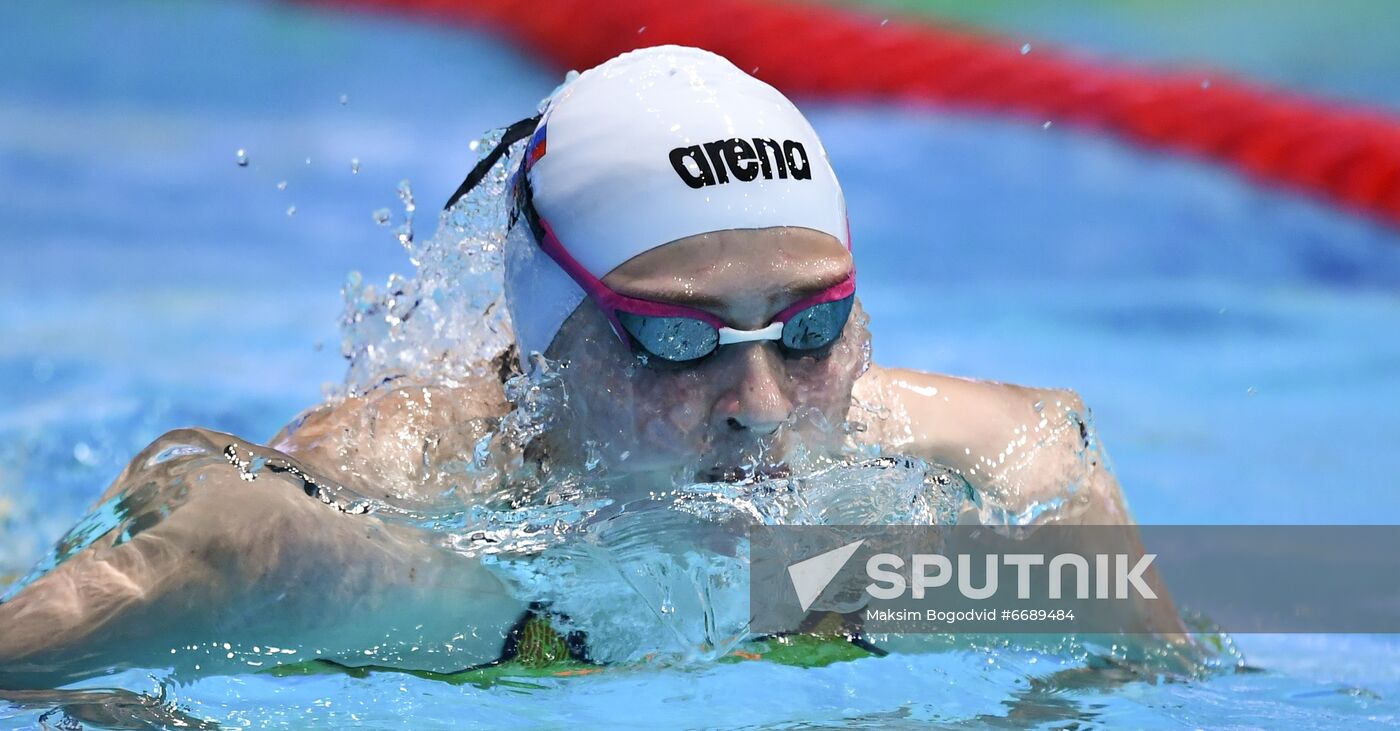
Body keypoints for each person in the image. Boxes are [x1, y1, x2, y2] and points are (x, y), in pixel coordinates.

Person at [0, 46, 1185, 689]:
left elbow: (1150, 687)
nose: (759, 408)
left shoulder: (1012, 476)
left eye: (810, 328)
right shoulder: (355, 517)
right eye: (677, 338)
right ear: (541, 336)